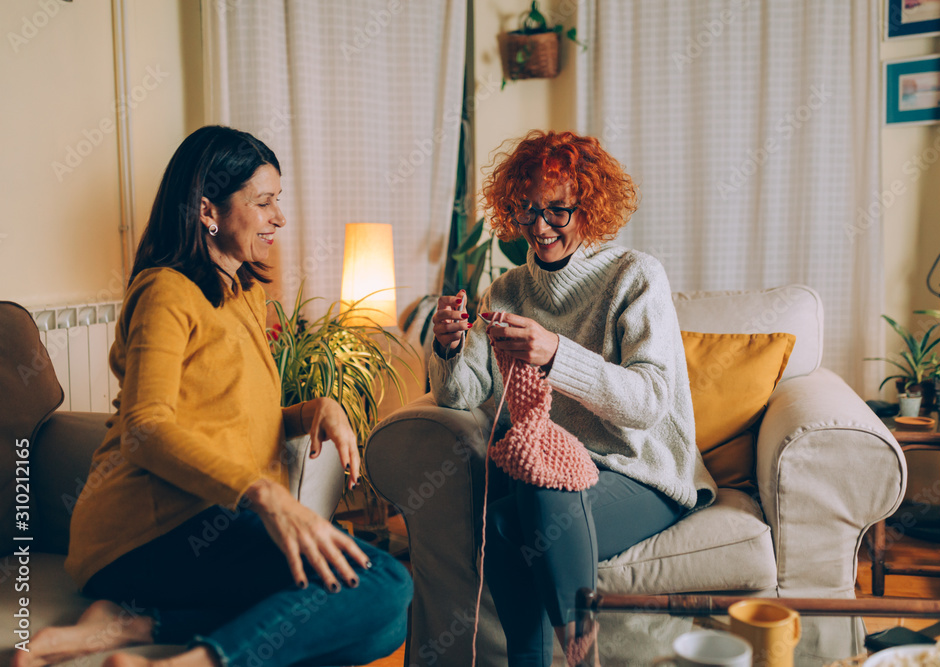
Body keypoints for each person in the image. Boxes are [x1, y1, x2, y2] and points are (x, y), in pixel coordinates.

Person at [16, 126, 412, 667]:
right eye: (264, 202)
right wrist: (266, 496)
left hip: (204, 524)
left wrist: (313, 410)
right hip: (144, 532)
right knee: (385, 581)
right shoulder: (165, 291)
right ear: (209, 209)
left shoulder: (243, 293)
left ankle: (131, 626)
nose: (279, 218)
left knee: (379, 623)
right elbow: (145, 428)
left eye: (279, 201)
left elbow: (230, 417)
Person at [430, 130, 716, 667]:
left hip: (643, 473)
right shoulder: (508, 291)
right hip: (558, 477)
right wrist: (447, 345)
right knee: (505, 521)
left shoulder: (635, 275)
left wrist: (557, 353)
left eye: (558, 211)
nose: (540, 227)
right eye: (527, 210)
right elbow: (459, 394)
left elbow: (650, 402)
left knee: (538, 489)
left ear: (591, 207)